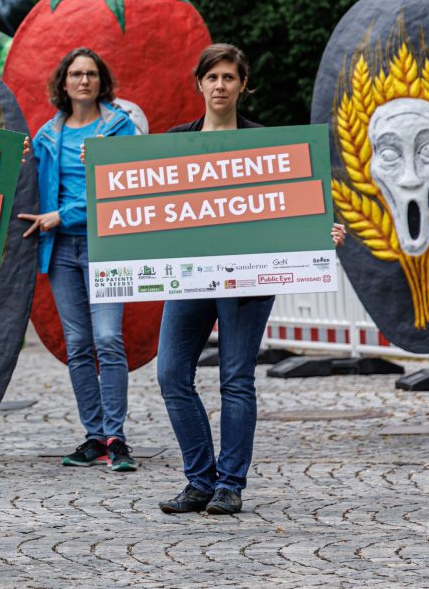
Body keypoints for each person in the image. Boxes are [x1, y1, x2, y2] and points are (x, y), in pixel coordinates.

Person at [156, 44, 346, 516]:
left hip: (249, 279)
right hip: (192, 276)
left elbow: (295, 206)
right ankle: (199, 480)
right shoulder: (175, 141)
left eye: (228, 77)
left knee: (236, 378)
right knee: (171, 374)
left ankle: (230, 485)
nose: (220, 86)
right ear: (198, 83)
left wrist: (322, 230)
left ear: (243, 85)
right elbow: (144, 205)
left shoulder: (268, 144)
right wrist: (98, 165)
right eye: (212, 77)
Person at [18, 48, 140, 472]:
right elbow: (32, 181)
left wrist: (63, 215)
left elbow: (125, 189)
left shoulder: (120, 128)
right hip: (61, 250)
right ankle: (94, 436)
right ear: (64, 83)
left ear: (100, 81)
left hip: (105, 246)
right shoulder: (49, 134)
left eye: (90, 74)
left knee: (108, 338)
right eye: (75, 74)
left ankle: (117, 437)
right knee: (78, 345)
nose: (83, 81)